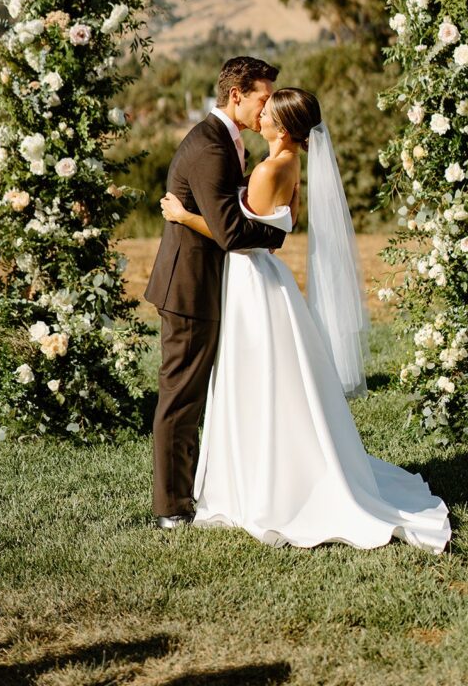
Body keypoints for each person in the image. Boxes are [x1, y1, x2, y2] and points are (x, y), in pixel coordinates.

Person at [160, 87, 451, 552]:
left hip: (251, 279)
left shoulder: (268, 167)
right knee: (274, 378)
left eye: (270, 114)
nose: (263, 117)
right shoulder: (290, 165)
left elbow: (240, 236)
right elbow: (278, 224)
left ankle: (262, 485)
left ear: (283, 128)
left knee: (253, 379)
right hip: (267, 277)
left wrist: (183, 214)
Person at [144, 57, 287, 529]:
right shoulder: (210, 146)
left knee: (193, 395)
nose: (268, 109)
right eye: (263, 99)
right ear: (236, 96)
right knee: (181, 397)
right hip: (188, 289)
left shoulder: (226, 141)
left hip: (206, 284)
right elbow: (228, 232)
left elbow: (230, 202)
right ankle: (170, 508)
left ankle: (195, 491)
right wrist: (277, 232)